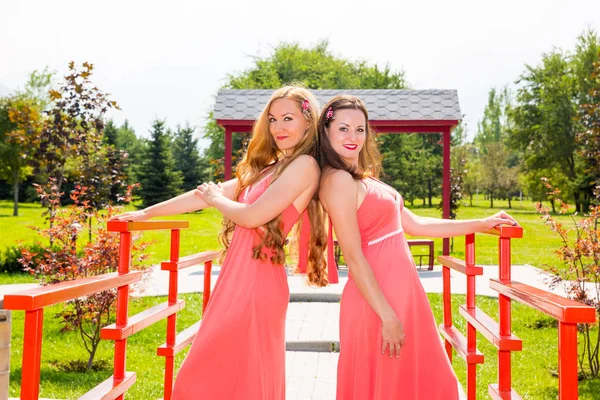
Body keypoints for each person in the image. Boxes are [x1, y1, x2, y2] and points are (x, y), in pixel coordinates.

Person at [111, 85, 336, 399]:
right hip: (238, 278)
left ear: (309, 122)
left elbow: (252, 216)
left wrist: (217, 199)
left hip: (258, 282)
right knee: (221, 374)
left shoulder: (305, 166)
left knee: (215, 373)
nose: (278, 127)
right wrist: (145, 214)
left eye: (288, 118)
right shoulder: (271, 168)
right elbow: (204, 194)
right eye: (272, 119)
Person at [317, 95, 517, 399]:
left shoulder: (363, 178)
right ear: (327, 131)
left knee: (429, 382)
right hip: (378, 303)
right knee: (389, 386)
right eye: (343, 128)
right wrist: (387, 316)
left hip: (406, 297)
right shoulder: (337, 181)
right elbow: (354, 258)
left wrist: (481, 223)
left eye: (360, 129)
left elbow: (416, 225)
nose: (353, 137)